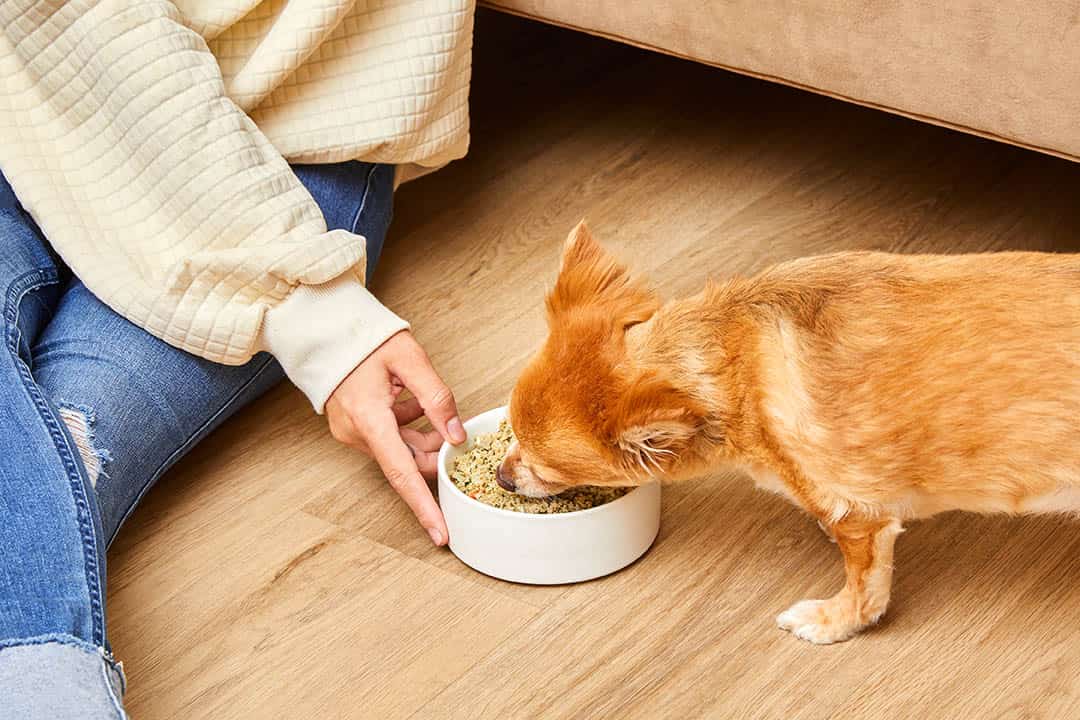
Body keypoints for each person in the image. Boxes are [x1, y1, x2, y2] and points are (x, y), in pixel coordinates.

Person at [0, 0, 475, 716]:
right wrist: (319, 318)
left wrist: (313, 310)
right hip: (24, 109)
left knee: (66, 453)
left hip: (281, 150)